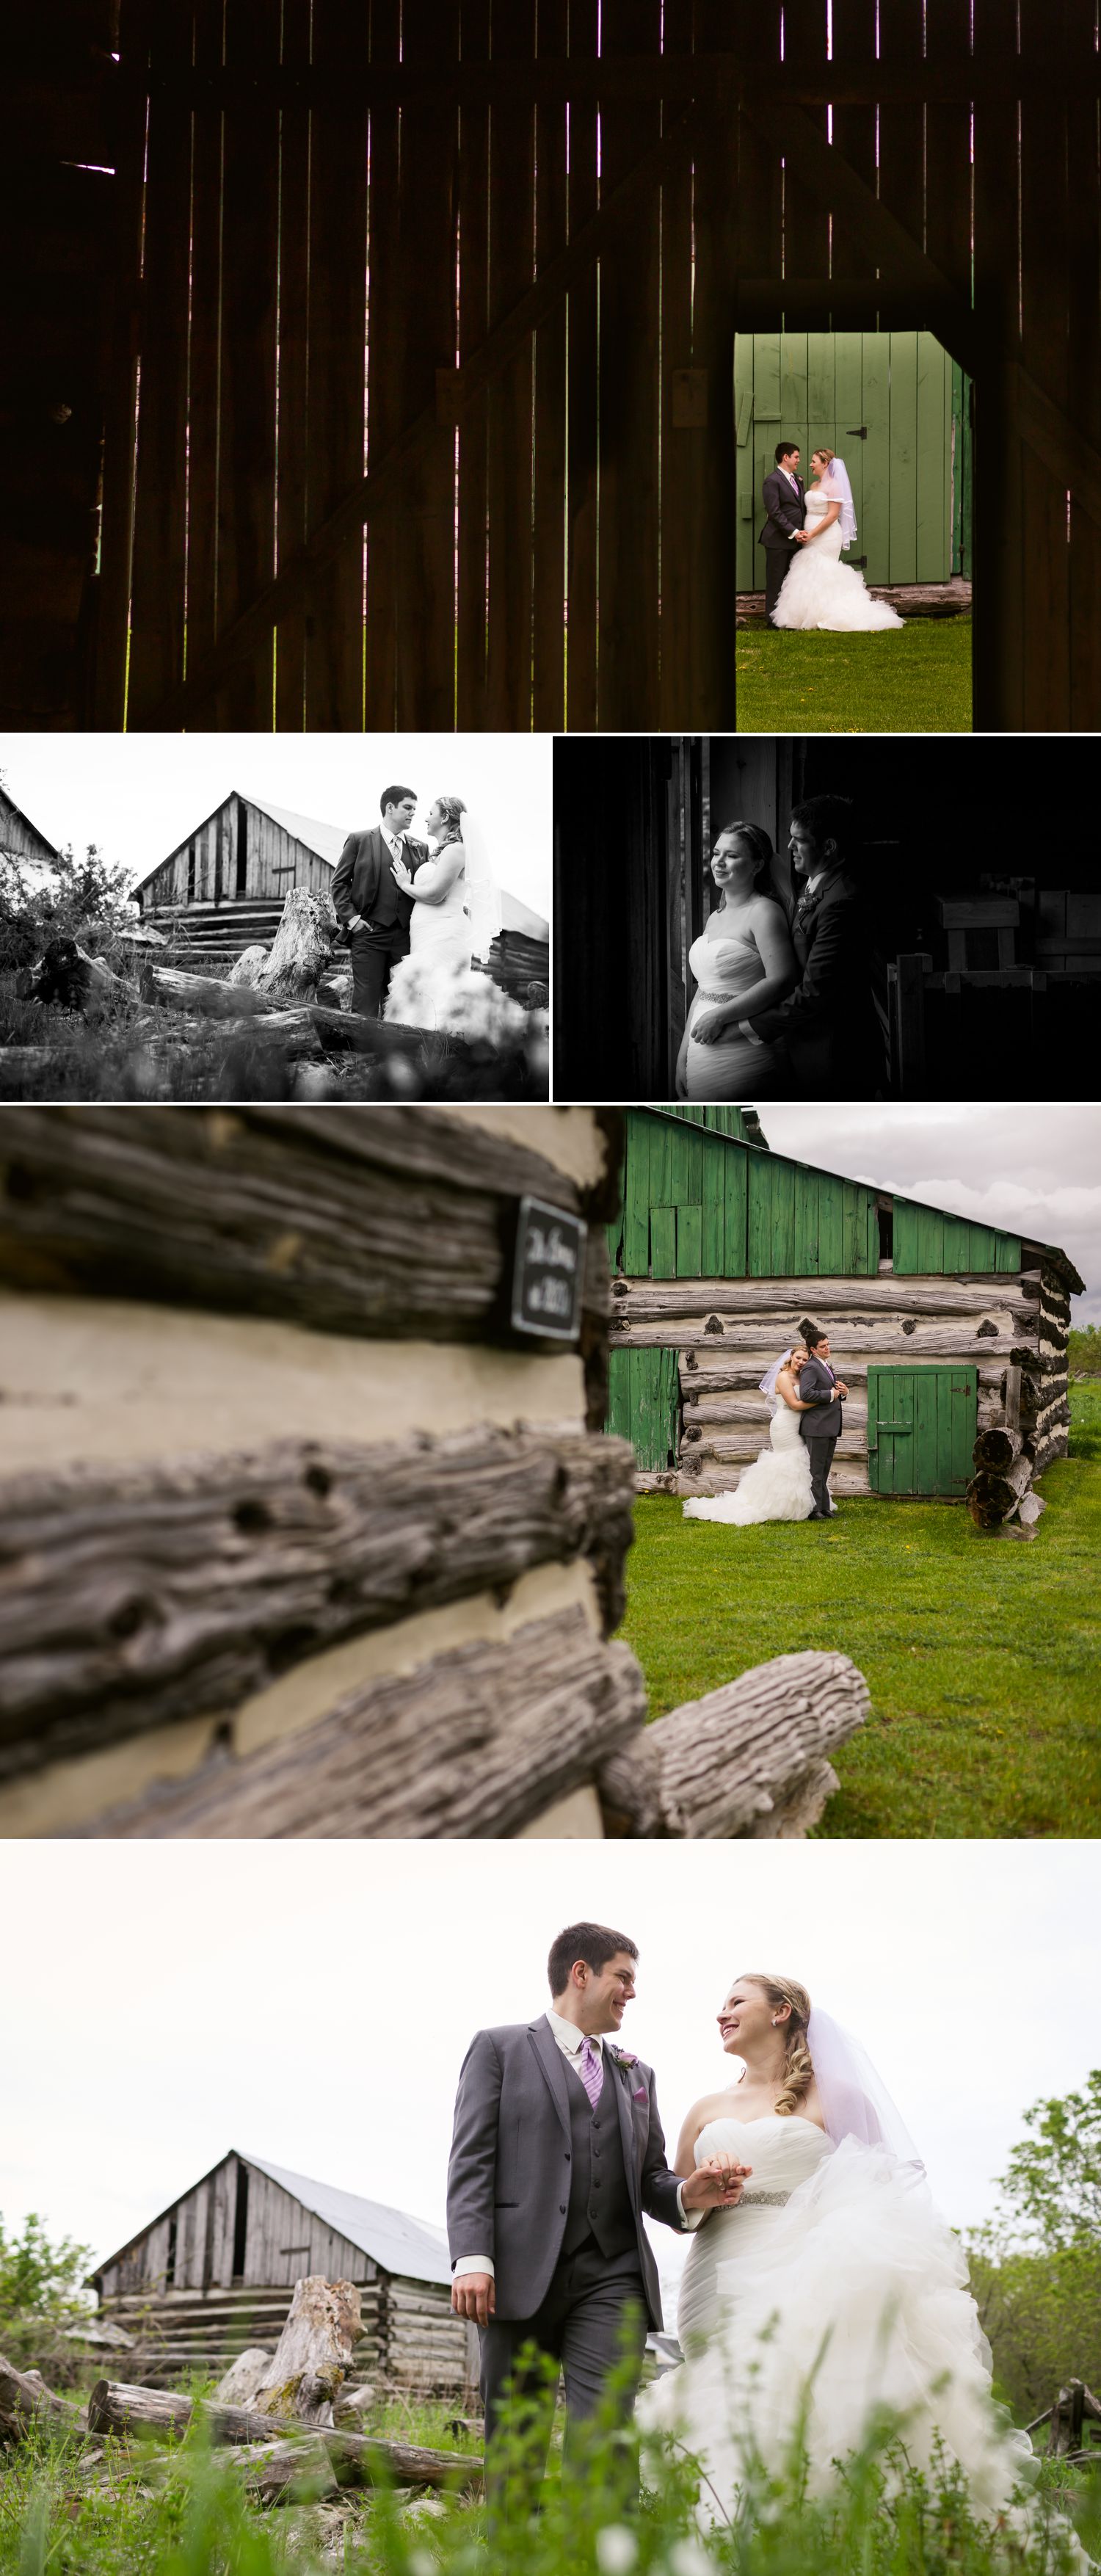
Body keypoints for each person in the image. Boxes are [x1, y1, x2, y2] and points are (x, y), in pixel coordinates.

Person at [638, 1973, 1036, 2525]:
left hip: (802, 2267)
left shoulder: (839, 2097)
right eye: (720, 2004)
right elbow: (676, 2200)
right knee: (721, 2396)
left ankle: (795, 2530)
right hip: (714, 2267)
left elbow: (882, 2194)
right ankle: (725, 2530)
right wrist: (703, 2185)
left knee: (788, 2398)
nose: (721, 2013)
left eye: (736, 2002)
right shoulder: (706, 2108)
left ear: (781, 2012)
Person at [446, 1921, 749, 2514]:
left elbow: (650, 2178)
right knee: (517, 2435)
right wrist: (472, 2257)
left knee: (606, 2433)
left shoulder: (639, 2075)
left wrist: (692, 2191)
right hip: (516, 2272)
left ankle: (598, 2553)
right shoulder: (499, 2047)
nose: (632, 1992)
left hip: (612, 2277)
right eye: (624, 1977)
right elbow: (472, 2157)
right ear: (580, 1973)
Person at [742, 794, 881, 1094]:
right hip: (803, 1045)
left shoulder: (843, 901)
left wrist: (748, 1027)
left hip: (836, 1054)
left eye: (799, 840)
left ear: (829, 847)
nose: (790, 847)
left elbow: (816, 991)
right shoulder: (812, 884)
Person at [675, 821, 797, 1102]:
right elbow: (703, 990)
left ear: (756, 865)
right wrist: (683, 1055)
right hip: (701, 1047)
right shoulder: (715, 917)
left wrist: (719, 1016)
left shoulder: (764, 912)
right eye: (717, 853)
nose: (719, 862)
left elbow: (782, 980)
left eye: (732, 855)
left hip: (744, 1049)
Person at [385, 794, 504, 1031]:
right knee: (426, 991)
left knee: (441, 993)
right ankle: (426, 1052)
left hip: (444, 933)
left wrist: (404, 884)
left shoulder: (456, 850)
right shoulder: (443, 852)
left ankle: (445, 1052)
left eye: (431, 813)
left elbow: (435, 895)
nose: (426, 818)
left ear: (446, 817)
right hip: (427, 934)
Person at [682, 1346, 828, 1526]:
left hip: (801, 1424)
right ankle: (776, 1504)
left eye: (805, 1360)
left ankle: (806, 1504)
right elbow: (795, 1405)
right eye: (798, 1357)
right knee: (788, 1461)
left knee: (801, 1461)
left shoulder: (803, 1377)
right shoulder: (783, 1377)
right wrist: (825, 1399)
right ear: (791, 1356)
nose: (801, 1362)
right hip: (785, 1425)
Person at [772, 448, 904, 632]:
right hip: (809, 535)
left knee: (824, 569)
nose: (810, 464)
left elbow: (833, 515)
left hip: (826, 536)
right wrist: (802, 533)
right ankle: (809, 614)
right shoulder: (812, 486)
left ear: (825, 463)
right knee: (810, 571)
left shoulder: (835, 485)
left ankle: (832, 613)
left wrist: (813, 533)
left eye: (814, 461)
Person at [330, 785, 426, 1020]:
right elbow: (339, 883)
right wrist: (353, 920)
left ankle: (393, 1052)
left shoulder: (420, 847)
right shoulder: (359, 840)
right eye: (407, 807)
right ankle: (362, 1052)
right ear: (390, 808)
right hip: (369, 933)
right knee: (366, 998)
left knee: (400, 998)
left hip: (405, 936)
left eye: (415, 808)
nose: (413, 813)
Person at [797, 1319, 849, 1518]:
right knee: (816, 1471)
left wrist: (843, 1392)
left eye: (828, 1345)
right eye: (823, 1347)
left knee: (824, 1469)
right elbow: (807, 1394)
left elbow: (833, 1390)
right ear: (813, 1349)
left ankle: (824, 1506)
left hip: (829, 1426)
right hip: (817, 1427)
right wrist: (830, 1394)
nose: (828, 1349)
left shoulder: (825, 1365)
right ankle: (813, 1509)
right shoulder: (811, 1367)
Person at [758, 440, 807, 627]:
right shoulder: (772, 480)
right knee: (776, 581)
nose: (798, 460)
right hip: (777, 540)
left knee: (790, 581)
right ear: (785, 457)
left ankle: (788, 619)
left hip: (796, 540)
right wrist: (794, 532)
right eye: (796, 457)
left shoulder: (798, 479)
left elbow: (800, 508)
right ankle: (772, 622)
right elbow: (775, 512)